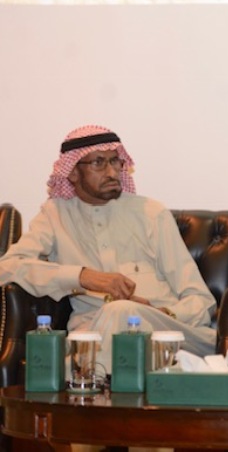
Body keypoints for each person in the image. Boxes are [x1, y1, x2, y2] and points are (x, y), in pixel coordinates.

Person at [0, 125, 217, 374]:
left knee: (121, 311)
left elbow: (201, 299)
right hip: (93, 335)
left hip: (168, 335)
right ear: (72, 172)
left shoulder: (150, 213)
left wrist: (160, 312)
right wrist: (83, 276)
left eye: (115, 161)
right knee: (109, 322)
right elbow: (7, 267)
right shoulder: (54, 215)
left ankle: (81, 382)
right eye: (99, 163)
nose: (112, 172)